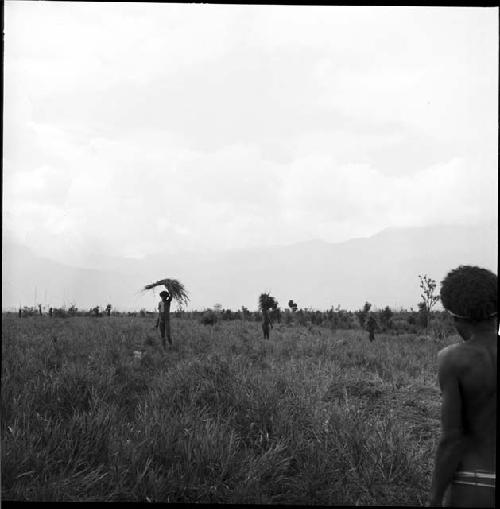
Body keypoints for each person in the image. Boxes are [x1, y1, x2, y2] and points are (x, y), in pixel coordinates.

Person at [429, 265, 497, 507]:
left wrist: (435, 497)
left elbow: (452, 439)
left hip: (473, 485)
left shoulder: (453, 360)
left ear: (456, 316)